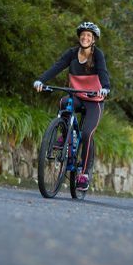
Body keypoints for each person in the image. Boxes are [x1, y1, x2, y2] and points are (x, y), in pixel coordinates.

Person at [34, 21, 111, 191]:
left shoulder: (97, 55)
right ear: (79, 37)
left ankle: (83, 174)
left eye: (89, 36)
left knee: (87, 133)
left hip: (94, 100)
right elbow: (57, 67)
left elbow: (103, 72)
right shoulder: (71, 53)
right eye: (83, 35)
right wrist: (41, 80)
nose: (85, 37)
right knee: (63, 102)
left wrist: (105, 88)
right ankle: (65, 135)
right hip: (77, 96)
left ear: (93, 40)